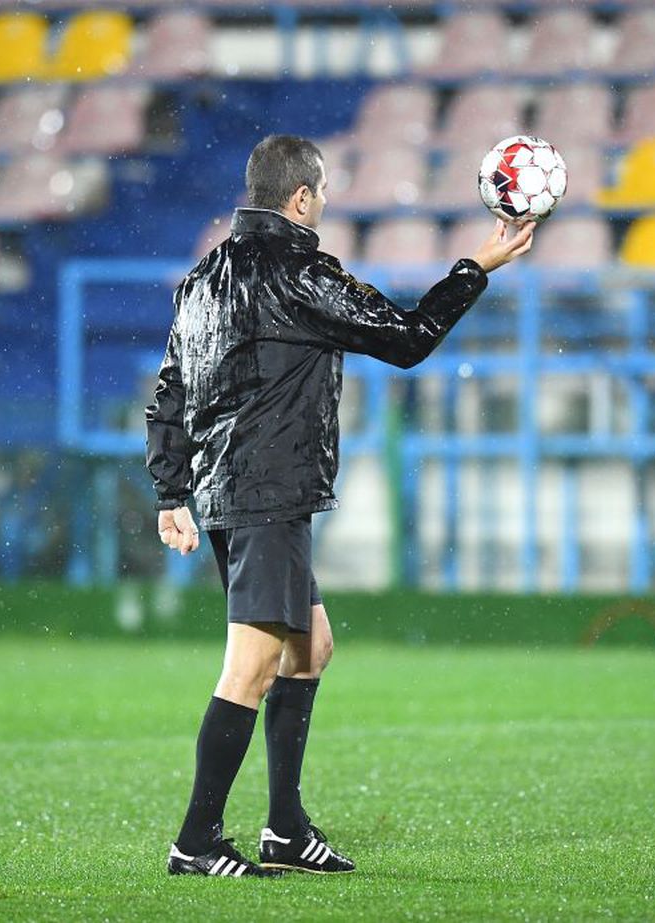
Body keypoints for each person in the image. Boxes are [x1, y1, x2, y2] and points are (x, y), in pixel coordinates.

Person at [145, 134, 534, 878]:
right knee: (250, 670)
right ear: (300, 199)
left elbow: (170, 389)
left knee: (309, 648)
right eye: (319, 193)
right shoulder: (299, 271)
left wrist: (172, 488)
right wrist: (474, 268)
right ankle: (196, 840)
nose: (322, 204)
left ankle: (285, 830)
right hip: (267, 495)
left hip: (238, 493)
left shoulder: (202, 277)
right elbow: (408, 337)